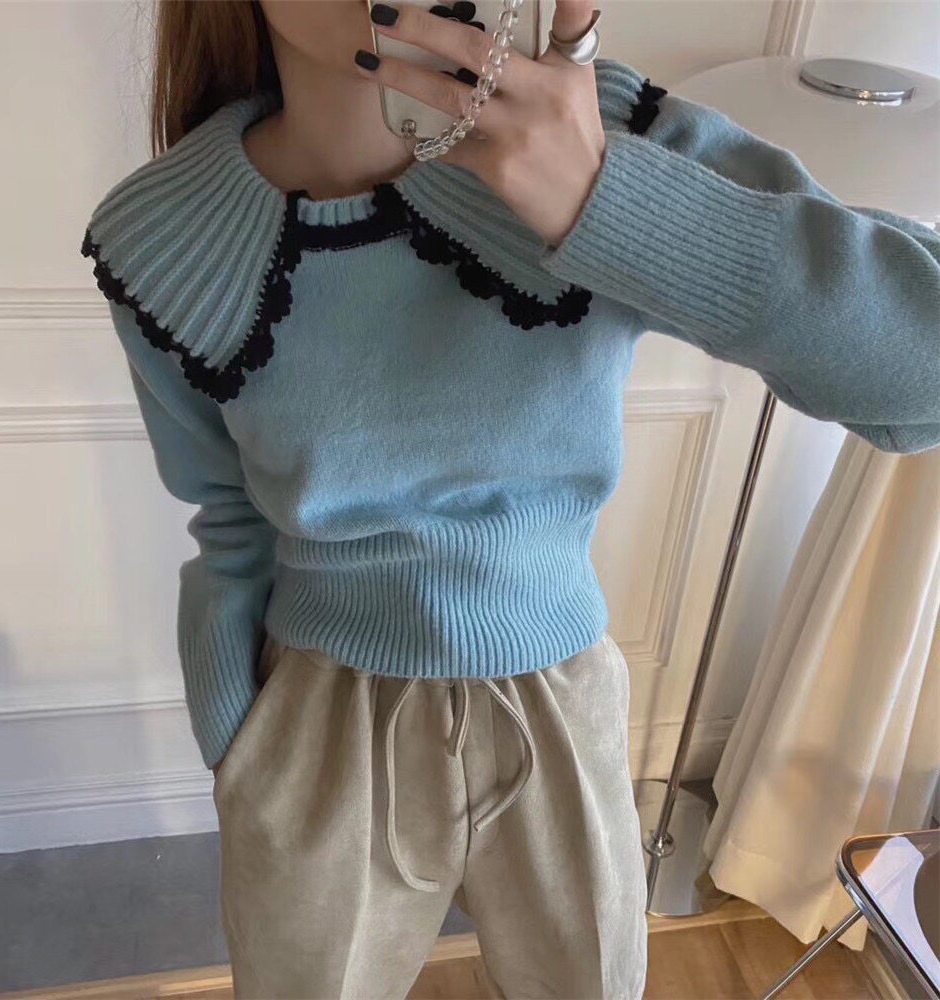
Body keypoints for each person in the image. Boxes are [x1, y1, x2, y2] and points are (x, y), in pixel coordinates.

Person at [80, 1, 940, 996]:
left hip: (559, 706)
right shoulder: (163, 233)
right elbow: (226, 518)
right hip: (314, 734)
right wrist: (239, 747)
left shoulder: (600, 134)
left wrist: (604, 197)